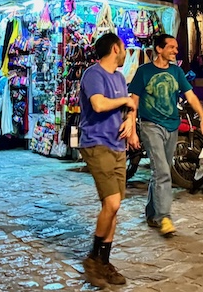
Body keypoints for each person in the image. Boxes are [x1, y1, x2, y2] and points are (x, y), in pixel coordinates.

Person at [130, 34, 203, 238]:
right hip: (150, 126)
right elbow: (133, 101)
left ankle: (152, 213)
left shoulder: (176, 72)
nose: (176, 50)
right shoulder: (143, 72)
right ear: (159, 49)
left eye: (176, 47)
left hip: (172, 126)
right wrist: (131, 130)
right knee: (163, 172)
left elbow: (190, 95)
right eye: (172, 47)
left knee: (161, 172)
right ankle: (165, 217)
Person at [78, 32, 138, 288]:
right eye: (124, 48)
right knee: (112, 204)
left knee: (112, 207)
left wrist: (130, 122)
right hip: (96, 142)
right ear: (116, 48)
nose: (126, 52)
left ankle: (104, 262)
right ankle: (92, 258)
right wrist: (126, 100)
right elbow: (99, 104)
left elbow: (128, 108)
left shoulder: (119, 77)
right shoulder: (94, 74)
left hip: (117, 145)